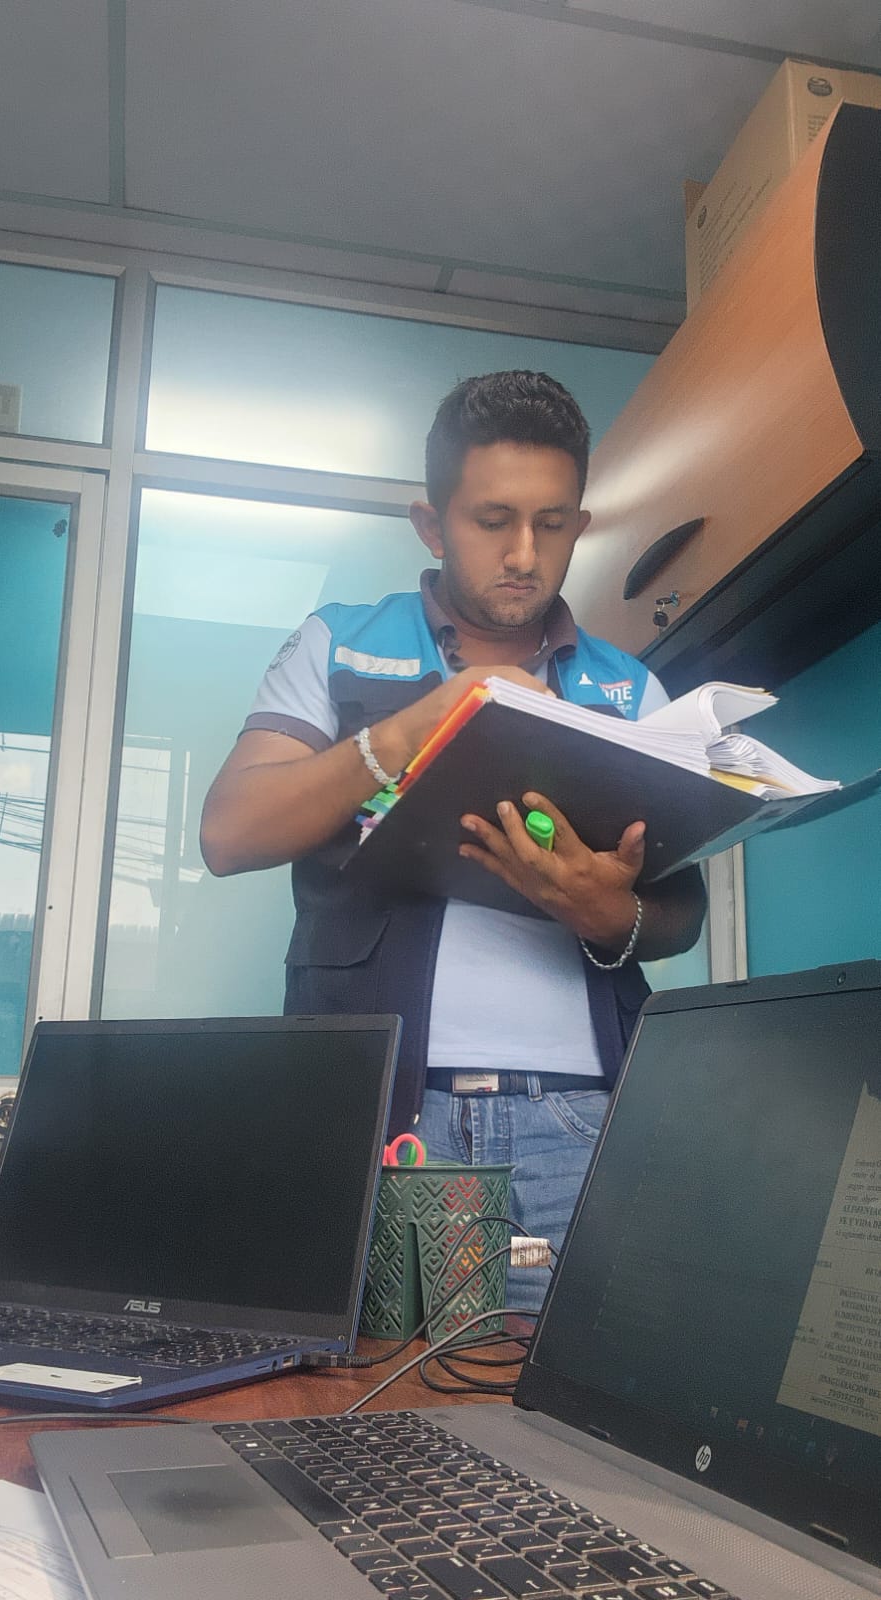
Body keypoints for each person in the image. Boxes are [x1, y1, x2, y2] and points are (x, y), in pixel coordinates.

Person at [201, 370, 706, 1309]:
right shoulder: (339, 644)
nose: (523, 554)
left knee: (562, 1390)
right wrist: (415, 727)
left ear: (579, 526)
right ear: (431, 526)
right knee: (357, 1382)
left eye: (550, 525)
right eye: (492, 520)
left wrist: (605, 911)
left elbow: (680, 910)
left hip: (581, 1119)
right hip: (381, 1113)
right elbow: (230, 832)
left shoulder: (630, 689)